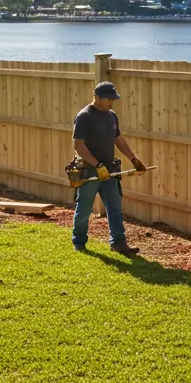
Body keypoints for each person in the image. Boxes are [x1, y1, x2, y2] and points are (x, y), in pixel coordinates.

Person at [71, 81, 148, 255]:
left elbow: (118, 139)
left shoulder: (111, 115)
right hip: (90, 171)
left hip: (110, 170)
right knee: (84, 207)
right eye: (108, 99)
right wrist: (96, 165)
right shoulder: (84, 116)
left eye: (113, 99)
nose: (111, 102)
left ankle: (119, 243)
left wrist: (134, 159)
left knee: (115, 206)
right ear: (96, 97)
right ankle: (79, 242)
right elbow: (79, 145)